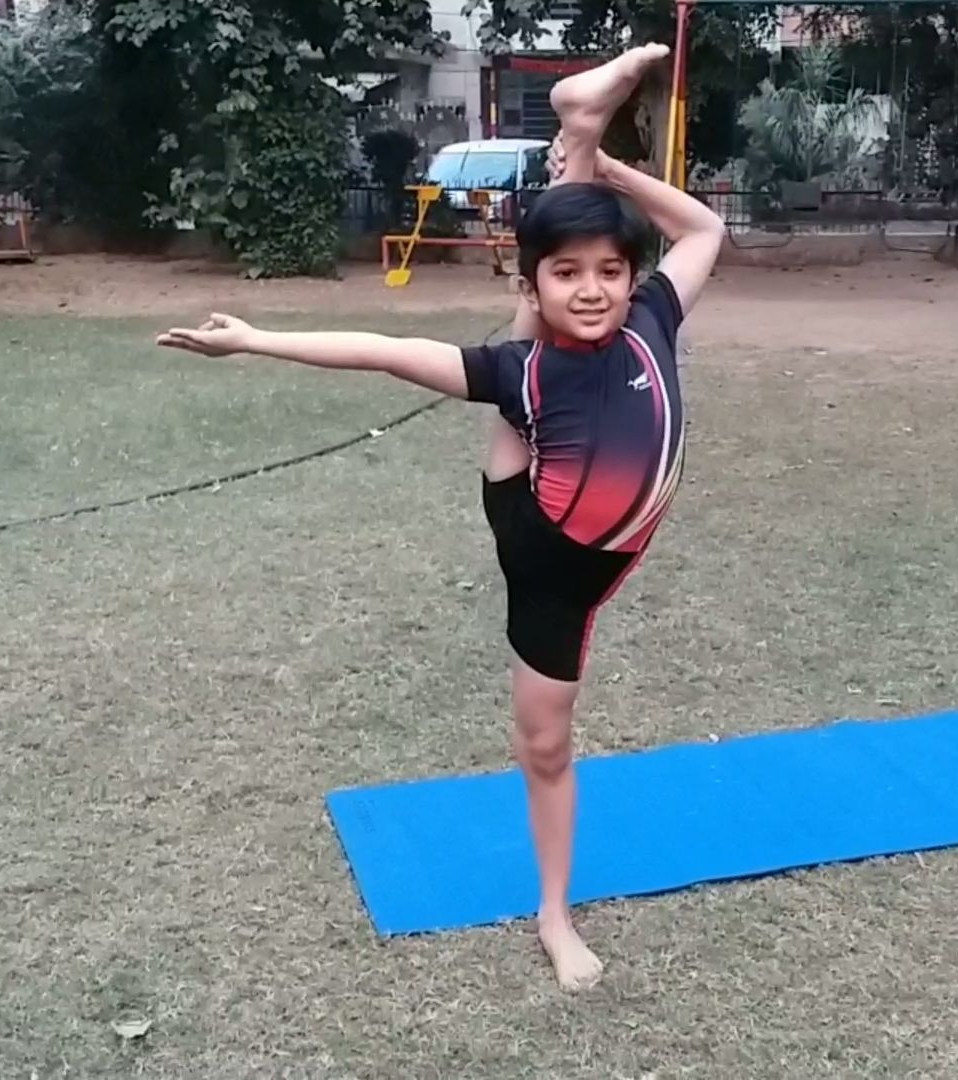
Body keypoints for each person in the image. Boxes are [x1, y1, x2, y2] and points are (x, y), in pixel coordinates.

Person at [157, 45, 725, 991]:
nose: (591, 288)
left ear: (632, 277)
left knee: (564, 271)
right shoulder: (520, 364)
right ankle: (555, 913)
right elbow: (383, 348)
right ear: (536, 283)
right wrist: (254, 338)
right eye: (566, 274)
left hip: (579, 517)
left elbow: (702, 229)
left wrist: (605, 160)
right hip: (545, 558)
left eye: (609, 271)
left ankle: (575, 128)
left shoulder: (654, 320)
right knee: (544, 745)